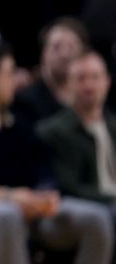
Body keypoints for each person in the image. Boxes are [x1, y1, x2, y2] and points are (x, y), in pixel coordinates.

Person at [0, 43, 113, 263]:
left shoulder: (19, 123)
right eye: (9, 72)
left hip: (33, 209)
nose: (15, 80)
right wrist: (10, 196)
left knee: (95, 218)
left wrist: (45, 194)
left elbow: (43, 168)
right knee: (6, 215)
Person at [38, 50, 116, 213]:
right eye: (81, 78)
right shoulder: (54, 132)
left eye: (95, 77)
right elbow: (69, 188)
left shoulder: (113, 126)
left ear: (107, 81)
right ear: (68, 83)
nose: (89, 85)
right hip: (87, 209)